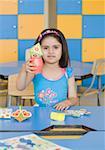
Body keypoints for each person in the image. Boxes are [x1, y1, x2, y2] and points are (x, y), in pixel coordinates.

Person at [16, 28, 78, 110]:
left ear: (62, 49)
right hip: (40, 113)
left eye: (56, 47)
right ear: (38, 50)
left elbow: (73, 98)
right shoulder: (36, 70)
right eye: (45, 48)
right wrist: (24, 69)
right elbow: (20, 87)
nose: (51, 51)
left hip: (61, 114)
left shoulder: (68, 72)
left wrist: (68, 102)